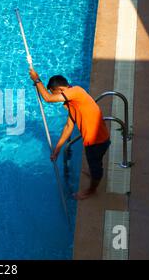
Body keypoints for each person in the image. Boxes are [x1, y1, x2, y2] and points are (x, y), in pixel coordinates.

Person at [29, 69, 111, 200]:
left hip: (96, 142)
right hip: (97, 140)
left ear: (61, 89)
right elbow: (68, 127)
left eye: (55, 93)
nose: (56, 98)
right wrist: (57, 149)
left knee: (96, 168)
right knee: (95, 162)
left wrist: (37, 79)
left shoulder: (76, 91)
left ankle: (92, 190)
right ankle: (93, 173)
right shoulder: (73, 103)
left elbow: (48, 99)